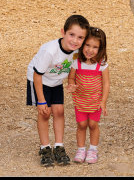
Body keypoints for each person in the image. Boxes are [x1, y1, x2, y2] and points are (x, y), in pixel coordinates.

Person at [26, 14, 90, 167]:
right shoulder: (50, 50)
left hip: (55, 81)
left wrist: (70, 82)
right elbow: (37, 75)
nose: (75, 40)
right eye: (72, 35)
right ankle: (45, 148)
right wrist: (41, 100)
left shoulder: (76, 51)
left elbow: (71, 68)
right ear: (63, 32)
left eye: (80, 37)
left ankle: (59, 146)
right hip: (38, 81)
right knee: (45, 112)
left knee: (59, 111)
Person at [66, 27, 110, 164]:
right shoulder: (76, 62)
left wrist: (103, 101)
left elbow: (106, 84)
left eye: (95, 47)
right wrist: (71, 85)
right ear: (82, 44)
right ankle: (80, 149)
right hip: (80, 100)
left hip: (95, 101)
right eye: (87, 45)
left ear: (101, 48)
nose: (90, 50)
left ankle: (92, 150)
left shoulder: (101, 64)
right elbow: (71, 78)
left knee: (93, 124)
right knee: (81, 124)